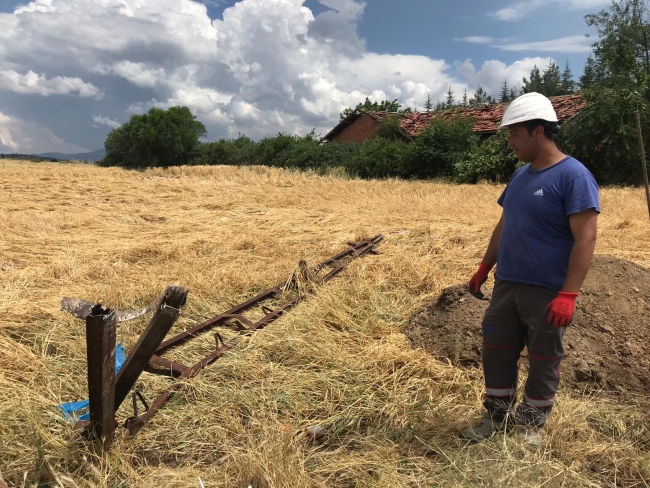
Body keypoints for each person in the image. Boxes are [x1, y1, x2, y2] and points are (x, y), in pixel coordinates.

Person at [459, 92, 600, 450]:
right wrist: (484, 266)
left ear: (538, 132)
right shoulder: (520, 176)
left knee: (543, 358)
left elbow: (585, 238)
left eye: (514, 135)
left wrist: (568, 294)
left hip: (547, 290)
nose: (510, 143)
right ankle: (495, 415)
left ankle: (531, 423)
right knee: (496, 349)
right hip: (508, 284)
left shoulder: (573, 176)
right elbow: (504, 224)